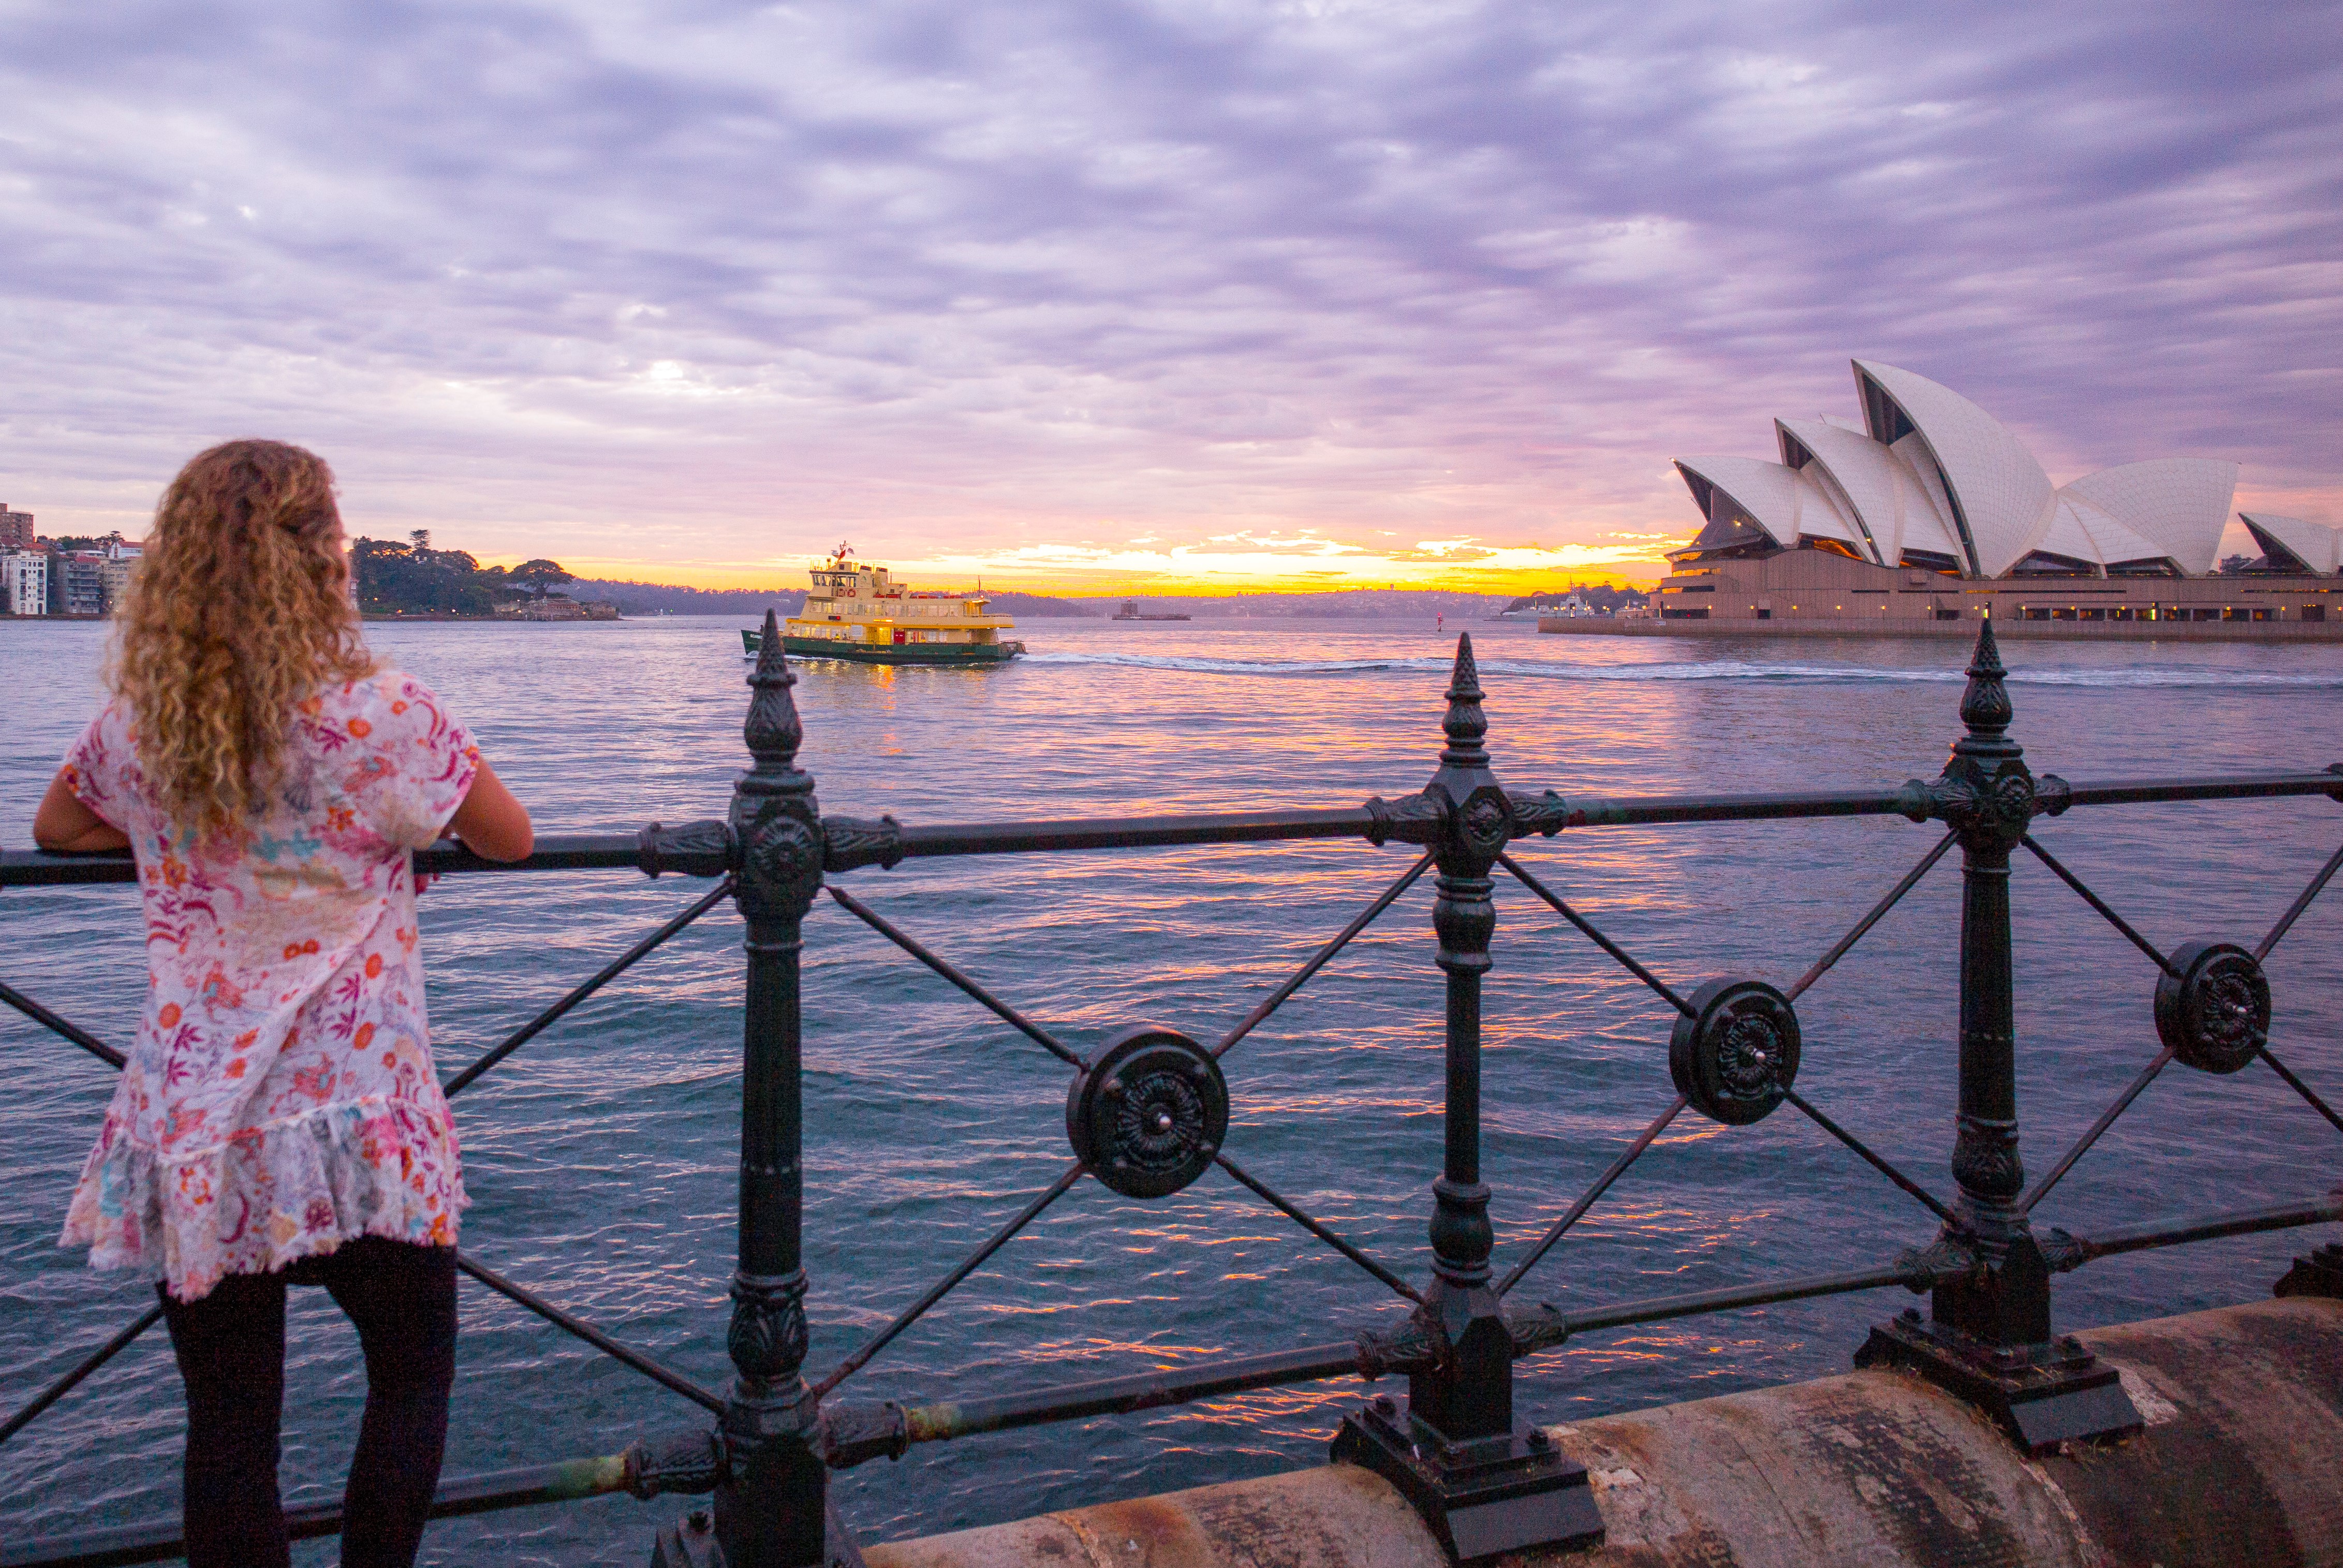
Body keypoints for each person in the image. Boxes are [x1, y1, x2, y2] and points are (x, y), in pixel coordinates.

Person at [32, 440, 533, 1568]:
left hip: (203, 1126)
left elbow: (56, 831)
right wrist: (378, 838)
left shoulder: (141, 727)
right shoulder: (385, 711)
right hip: (358, 1116)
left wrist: (188, 835)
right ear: (323, 561)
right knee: (409, 1385)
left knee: (229, 1432)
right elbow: (511, 837)